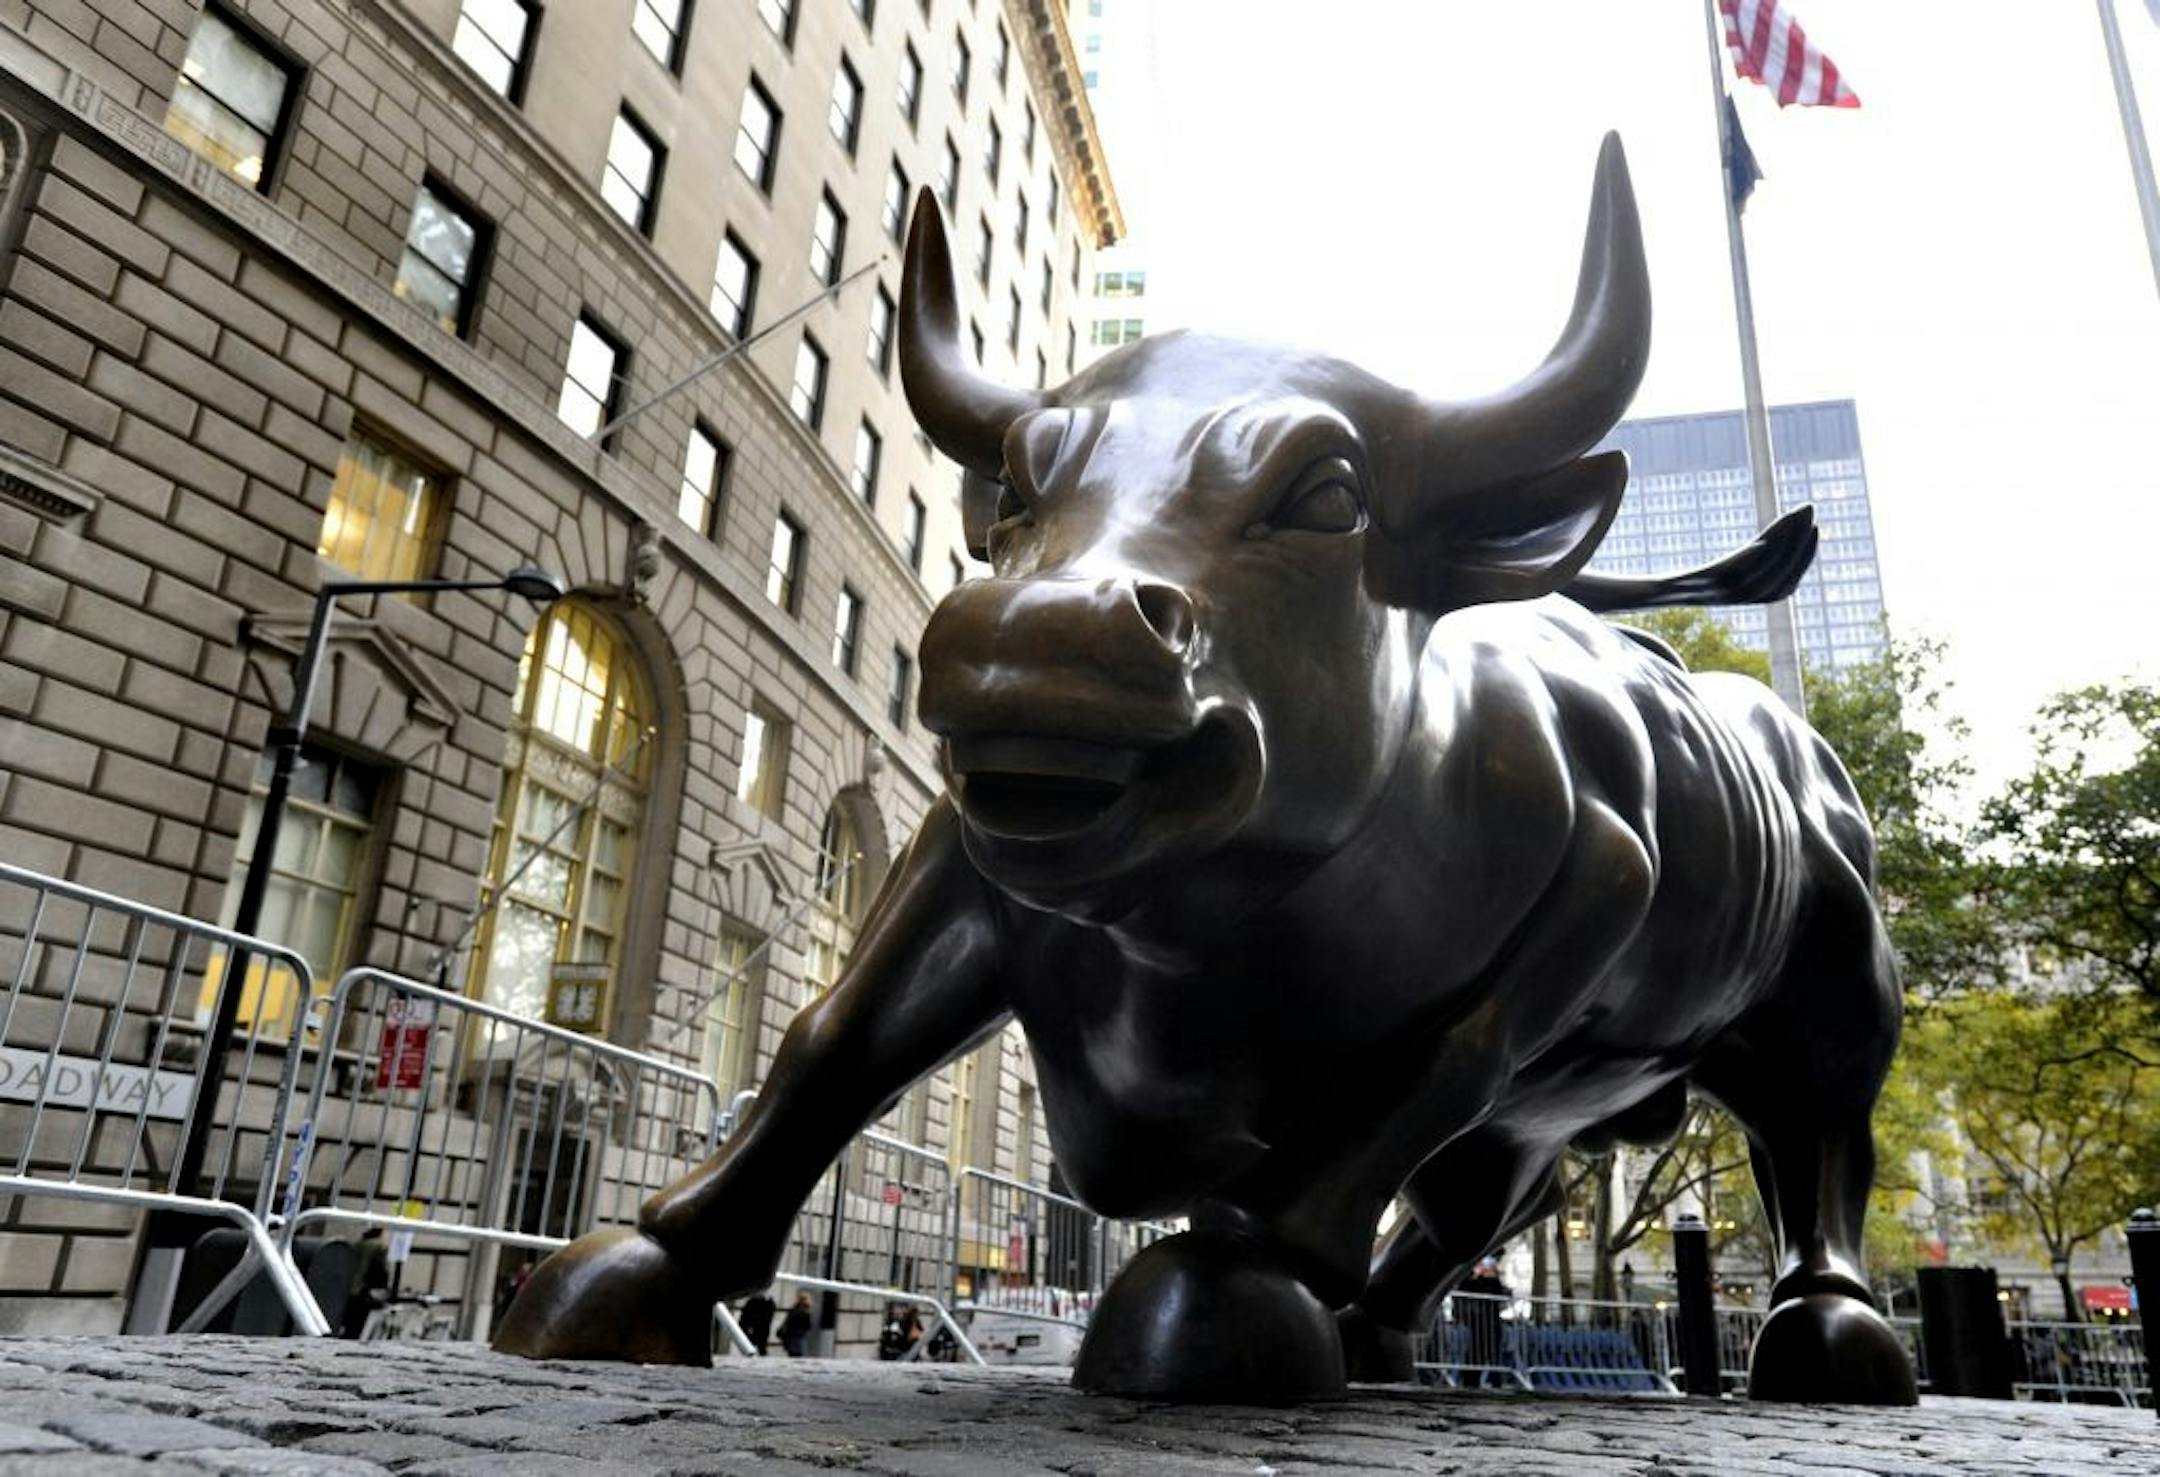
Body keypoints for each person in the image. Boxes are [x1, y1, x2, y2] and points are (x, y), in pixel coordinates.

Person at [1458, 1256, 1512, 1388]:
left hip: (1489, 1322)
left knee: (1491, 1354)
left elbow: (1499, 1293)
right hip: (1478, 1322)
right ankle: (1471, 1380)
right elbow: (1464, 1289)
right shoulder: (1472, 1281)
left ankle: (1493, 1380)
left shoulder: (1492, 1282)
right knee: (1476, 1354)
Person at [738, 1291, 777, 1356]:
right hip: (755, 1327)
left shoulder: (765, 1303)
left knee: (759, 1345)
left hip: (758, 1328)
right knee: (757, 1345)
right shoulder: (767, 1303)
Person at [779, 1293, 814, 1357]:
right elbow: (808, 1326)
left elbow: (787, 1321)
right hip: (799, 1335)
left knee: (792, 1352)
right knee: (798, 1352)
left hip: (792, 1334)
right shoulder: (806, 1311)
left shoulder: (794, 1309)